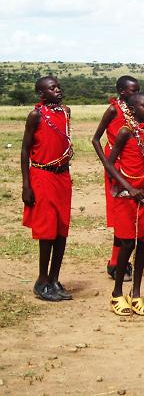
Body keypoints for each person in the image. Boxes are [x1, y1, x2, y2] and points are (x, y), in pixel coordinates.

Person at [104, 92, 144, 316]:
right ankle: (117, 293)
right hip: (126, 197)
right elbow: (110, 164)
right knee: (126, 244)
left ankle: (135, 294)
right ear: (132, 109)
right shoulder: (125, 132)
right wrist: (130, 187)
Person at [21, 76, 74, 302]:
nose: (58, 90)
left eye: (58, 87)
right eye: (52, 88)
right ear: (42, 94)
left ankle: (54, 279)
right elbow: (24, 150)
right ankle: (41, 281)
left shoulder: (65, 112)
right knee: (47, 231)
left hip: (63, 177)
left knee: (62, 231)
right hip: (42, 176)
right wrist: (26, 185)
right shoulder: (36, 115)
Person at [92, 75, 139, 281]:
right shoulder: (113, 110)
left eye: (138, 90)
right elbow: (95, 139)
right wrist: (107, 164)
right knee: (120, 213)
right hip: (115, 167)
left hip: (130, 165)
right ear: (121, 92)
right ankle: (115, 262)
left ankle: (119, 260)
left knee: (131, 213)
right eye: (132, 90)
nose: (136, 94)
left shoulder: (136, 111)